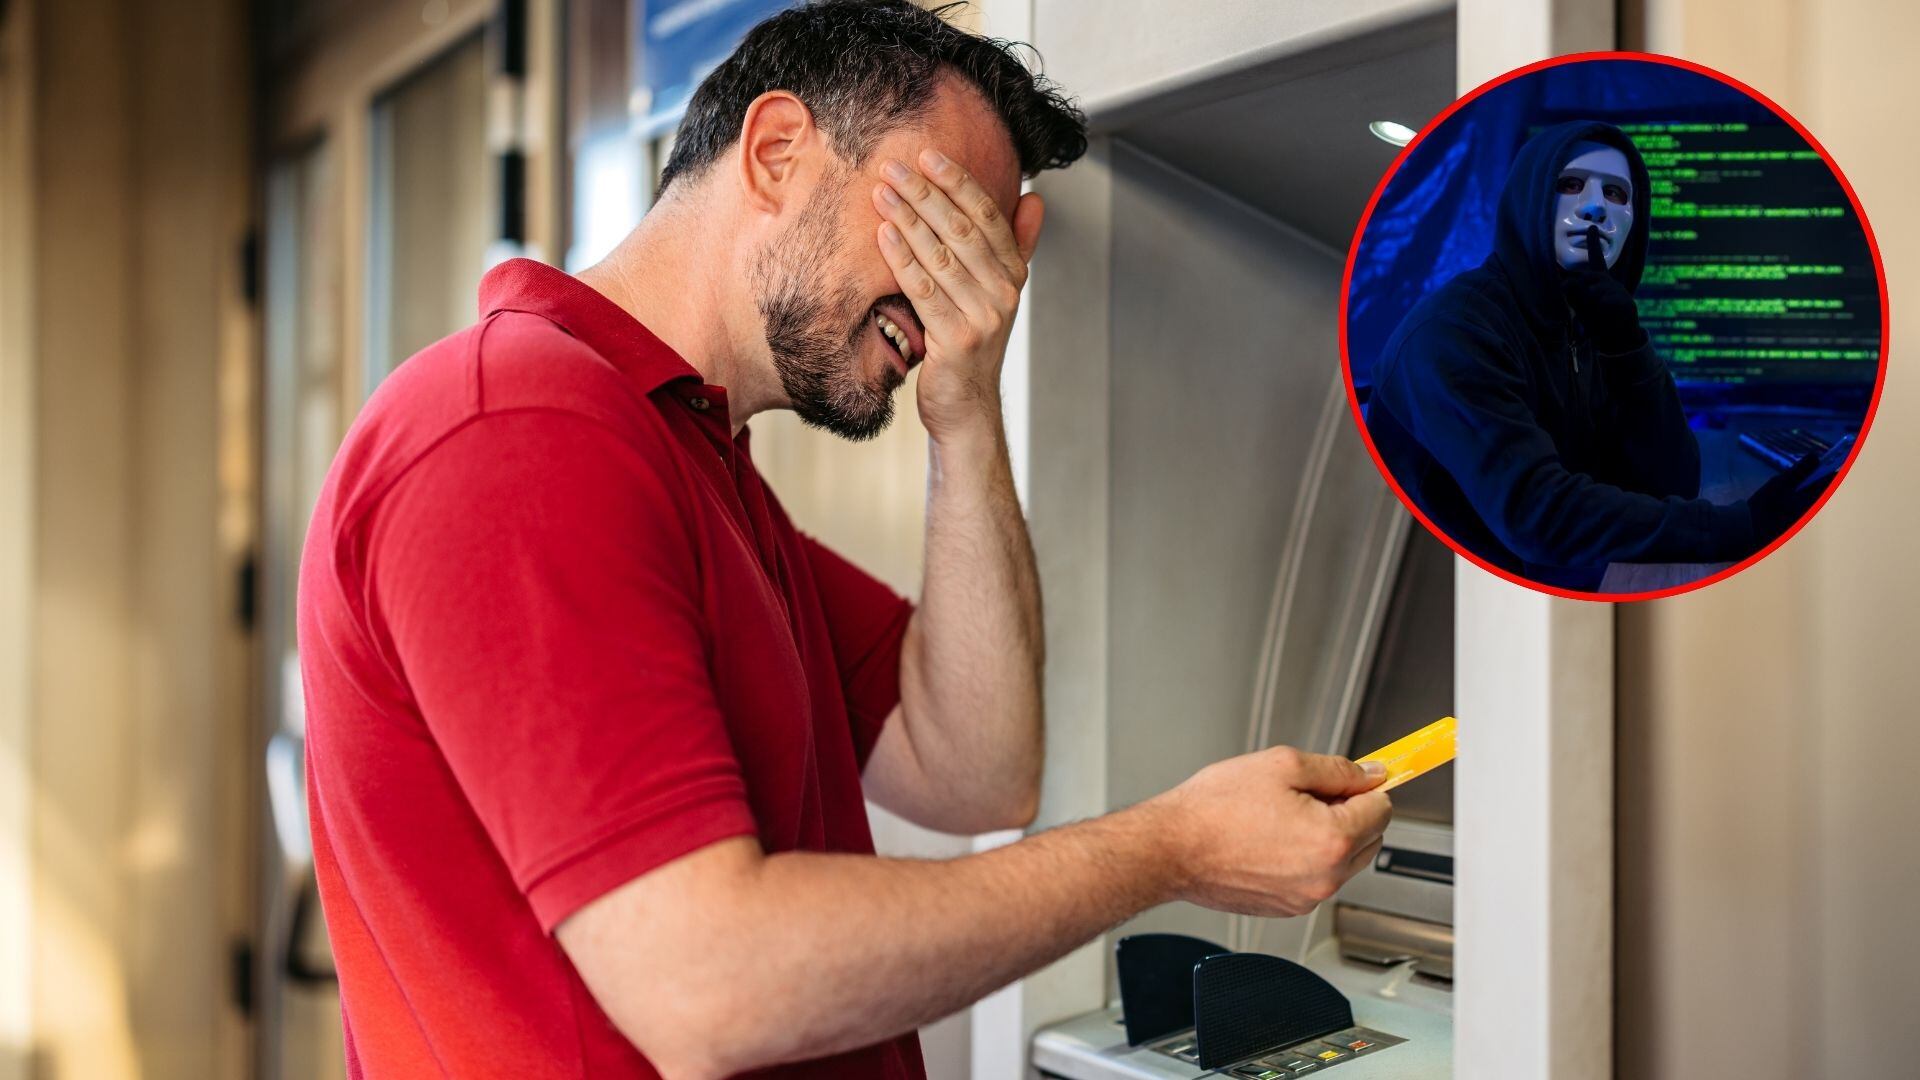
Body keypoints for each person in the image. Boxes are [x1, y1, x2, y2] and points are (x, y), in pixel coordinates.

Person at [297, 3, 1393, 1078]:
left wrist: (967, 410)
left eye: (980, 253)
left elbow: (975, 775)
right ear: (777, 152)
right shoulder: (518, 429)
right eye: (938, 225)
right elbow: (705, 988)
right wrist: (1173, 847)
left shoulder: (696, 467)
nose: (955, 291)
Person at [1365, 120, 1826, 591]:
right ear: (1529, 196)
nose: (1594, 207)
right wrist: (1737, 527)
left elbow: (1671, 482)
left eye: (1616, 193)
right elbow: (1537, 515)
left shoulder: (1584, 320)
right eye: (1570, 184)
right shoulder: (1455, 331)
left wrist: (1627, 345)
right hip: (1453, 592)